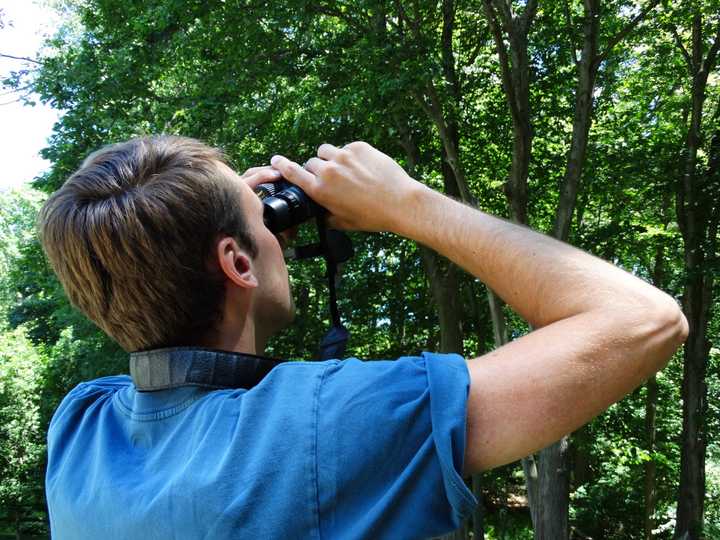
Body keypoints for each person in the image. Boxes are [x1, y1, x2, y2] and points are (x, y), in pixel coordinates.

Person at [39, 135, 688, 539]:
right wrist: (409, 203)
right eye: (262, 228)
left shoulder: (80, 430)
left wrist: (236, 229)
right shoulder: (323, 424)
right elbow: (641, 321)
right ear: (237, 263)